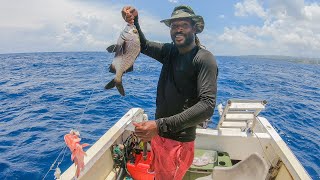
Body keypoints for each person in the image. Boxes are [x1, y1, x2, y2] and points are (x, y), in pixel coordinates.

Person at [122, 5, 218, 179]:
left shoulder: (204, 59)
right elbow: (142, 45)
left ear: (195, 28)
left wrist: (158, 125)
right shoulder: (169, 51)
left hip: (178, 143)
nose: (178, 29)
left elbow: (207, 106)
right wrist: (134, 21)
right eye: (174, 25)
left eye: (184, 25)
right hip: (160, 135)